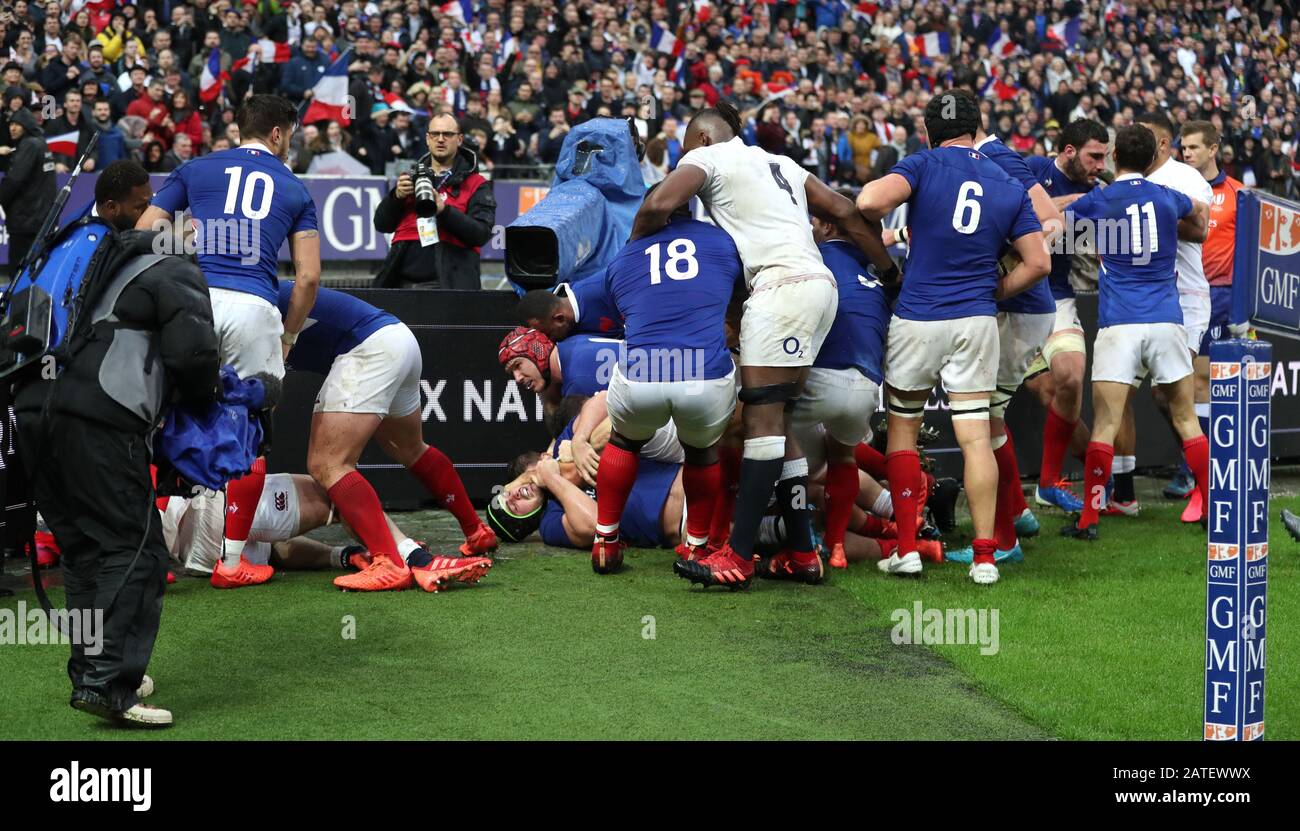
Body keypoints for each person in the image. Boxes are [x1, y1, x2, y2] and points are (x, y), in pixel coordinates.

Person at [633, 100, 896, 592]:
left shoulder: (709, 158)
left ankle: (737, 555)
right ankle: (801, 552)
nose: (682, 160)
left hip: (779, 291)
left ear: (703, 140)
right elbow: (844, 209)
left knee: (759, 421)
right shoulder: (783, 163)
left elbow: (656, 206)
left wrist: (635, 255)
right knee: (782, 421)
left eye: (685, 150)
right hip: (819, 287)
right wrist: (889, 269)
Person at [13, 186, 220, 728]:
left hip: (32, 413)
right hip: (101, 419)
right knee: (135, 550)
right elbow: (194, 353)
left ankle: (91, 673)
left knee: (84, 551)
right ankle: (110, 685)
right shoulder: (171, 264)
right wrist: (205, 404)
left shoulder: (76, 261)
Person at [855, 88, 1049, 585]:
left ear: (927, 131)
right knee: (975, 437)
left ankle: (906, 549)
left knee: (902, 428)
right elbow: (1039, 262)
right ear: (977, 127)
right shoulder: (1006, 179)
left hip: (920, 314)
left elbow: (869, 200)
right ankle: (985, 557)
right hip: (977, 318)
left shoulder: (923, 164)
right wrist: (997, 288)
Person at [136, 94, 321, 589]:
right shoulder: (296, 189)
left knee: (158, 420)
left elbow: (142, 232)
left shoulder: (195, 168)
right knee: (253, 431)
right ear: (278, 134)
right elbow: (307, 279)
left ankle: (149, 557)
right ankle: (232, 560)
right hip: (255, 308)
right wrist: (288, 336)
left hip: (192, 304)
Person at [277, 283, 499, 591]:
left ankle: (389, 563)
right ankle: (475, 530)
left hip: (368, 347)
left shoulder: (237, 303)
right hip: (396, 338)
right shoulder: (241, 292)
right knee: (410, 448)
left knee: (328, 464)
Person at [1059, 125, 1209, 540]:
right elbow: (1199, 214)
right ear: (1149, 159)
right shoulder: (1166, 195)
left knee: (1105, 422)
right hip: (1166, 318)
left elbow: (1054, 225)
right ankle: (1215, 506)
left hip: (1120, 321)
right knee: (1186, 419)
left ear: (1114, 158)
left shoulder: (1101, 198)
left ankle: (1089, 519)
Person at [591, 194, 743, 574]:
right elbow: (739, 297)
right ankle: (696, 545)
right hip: (704, 370)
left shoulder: (625, 256)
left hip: (645, 367)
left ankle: (605, 541)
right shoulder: (722, 240)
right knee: (702, 452)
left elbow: (621, 310)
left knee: (624, 441)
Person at [943, 110, 1065, 565]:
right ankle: (1015, 516)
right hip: (1017, 309)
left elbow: (1052, 221)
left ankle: (1005, 536)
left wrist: (1009, 265)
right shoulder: (986, 159)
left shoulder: (996, 158)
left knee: (984, 421)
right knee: (989, 420)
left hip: (1019, 309)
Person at [162, 471, 492, 592]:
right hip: (205, 507)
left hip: (199, 551)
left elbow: (277, 549)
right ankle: (417, 560)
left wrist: (344, 556)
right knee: (335, 486)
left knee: (270, 545)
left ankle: (377, 556)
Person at [1116, 112, 1213, 517]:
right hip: (1137, 296)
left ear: (1163, 143)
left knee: (1174, 394)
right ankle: (1123, 492)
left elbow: (1202, 229)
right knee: (1121, 392)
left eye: (1149, 137)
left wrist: (1151, 223)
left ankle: (1206, 481)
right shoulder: (1126, 181)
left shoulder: (1186, 179)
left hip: (1184, 296)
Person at [793, 208, 895, 572]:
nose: (811, 227)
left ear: (829, 225)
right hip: (867, 384)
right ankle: (836, 546)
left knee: (763, 435)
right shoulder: (882, 273)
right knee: (843, 457)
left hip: (821, 376)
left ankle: (784, 541)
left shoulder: (815, 256)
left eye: (816, 221)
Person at [1021, 119, 1111, 513]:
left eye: (1104, 157)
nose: (1100, 164)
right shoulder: (1032, 168)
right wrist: (1068, 204)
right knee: (1045, 391)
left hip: (1056, 295)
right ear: (1069, 151)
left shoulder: (1100, 192)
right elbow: (1017, 207)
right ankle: (1097, 477)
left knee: (1071, 379)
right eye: (1094, 156)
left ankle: (1051, 482)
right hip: (1009, 298)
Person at [373, 112, 496, 290]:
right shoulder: (410, 179)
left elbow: (480, 234)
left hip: (448, 288)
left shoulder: (477, 184)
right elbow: (382, 225)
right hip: (400, 285)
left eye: (447, 134)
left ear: (459, 139)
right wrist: (396, 197)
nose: (440, 139)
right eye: (435, 134)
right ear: (427, 138)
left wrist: (444, 211)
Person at [0, 106, 56, 277]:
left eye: (18, 124)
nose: (13, 128)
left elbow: (14, 180)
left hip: (25, 219)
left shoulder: (29, 145)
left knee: (17, 272)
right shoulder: (41, 143)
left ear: (27, 125)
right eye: (11, 124)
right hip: (41, 218)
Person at [514, 279, 624, 341]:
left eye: (548, 335)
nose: (548, 342)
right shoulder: (562, 327)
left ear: (559, 319)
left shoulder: (607, 287)